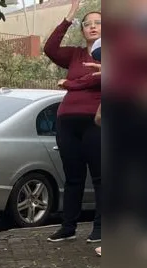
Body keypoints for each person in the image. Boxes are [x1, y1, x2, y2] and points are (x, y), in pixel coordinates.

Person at [44, 0, 102, 244]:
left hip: (96, 122)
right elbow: (50, 48)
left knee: (100, 177)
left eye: (98, 23)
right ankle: (68, 227)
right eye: (87, 24)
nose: (92, 27)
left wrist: (70, 84)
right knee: (73, 177)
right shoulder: (75, 55)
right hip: (67, 121)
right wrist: (69, 17)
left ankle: (100, 228)